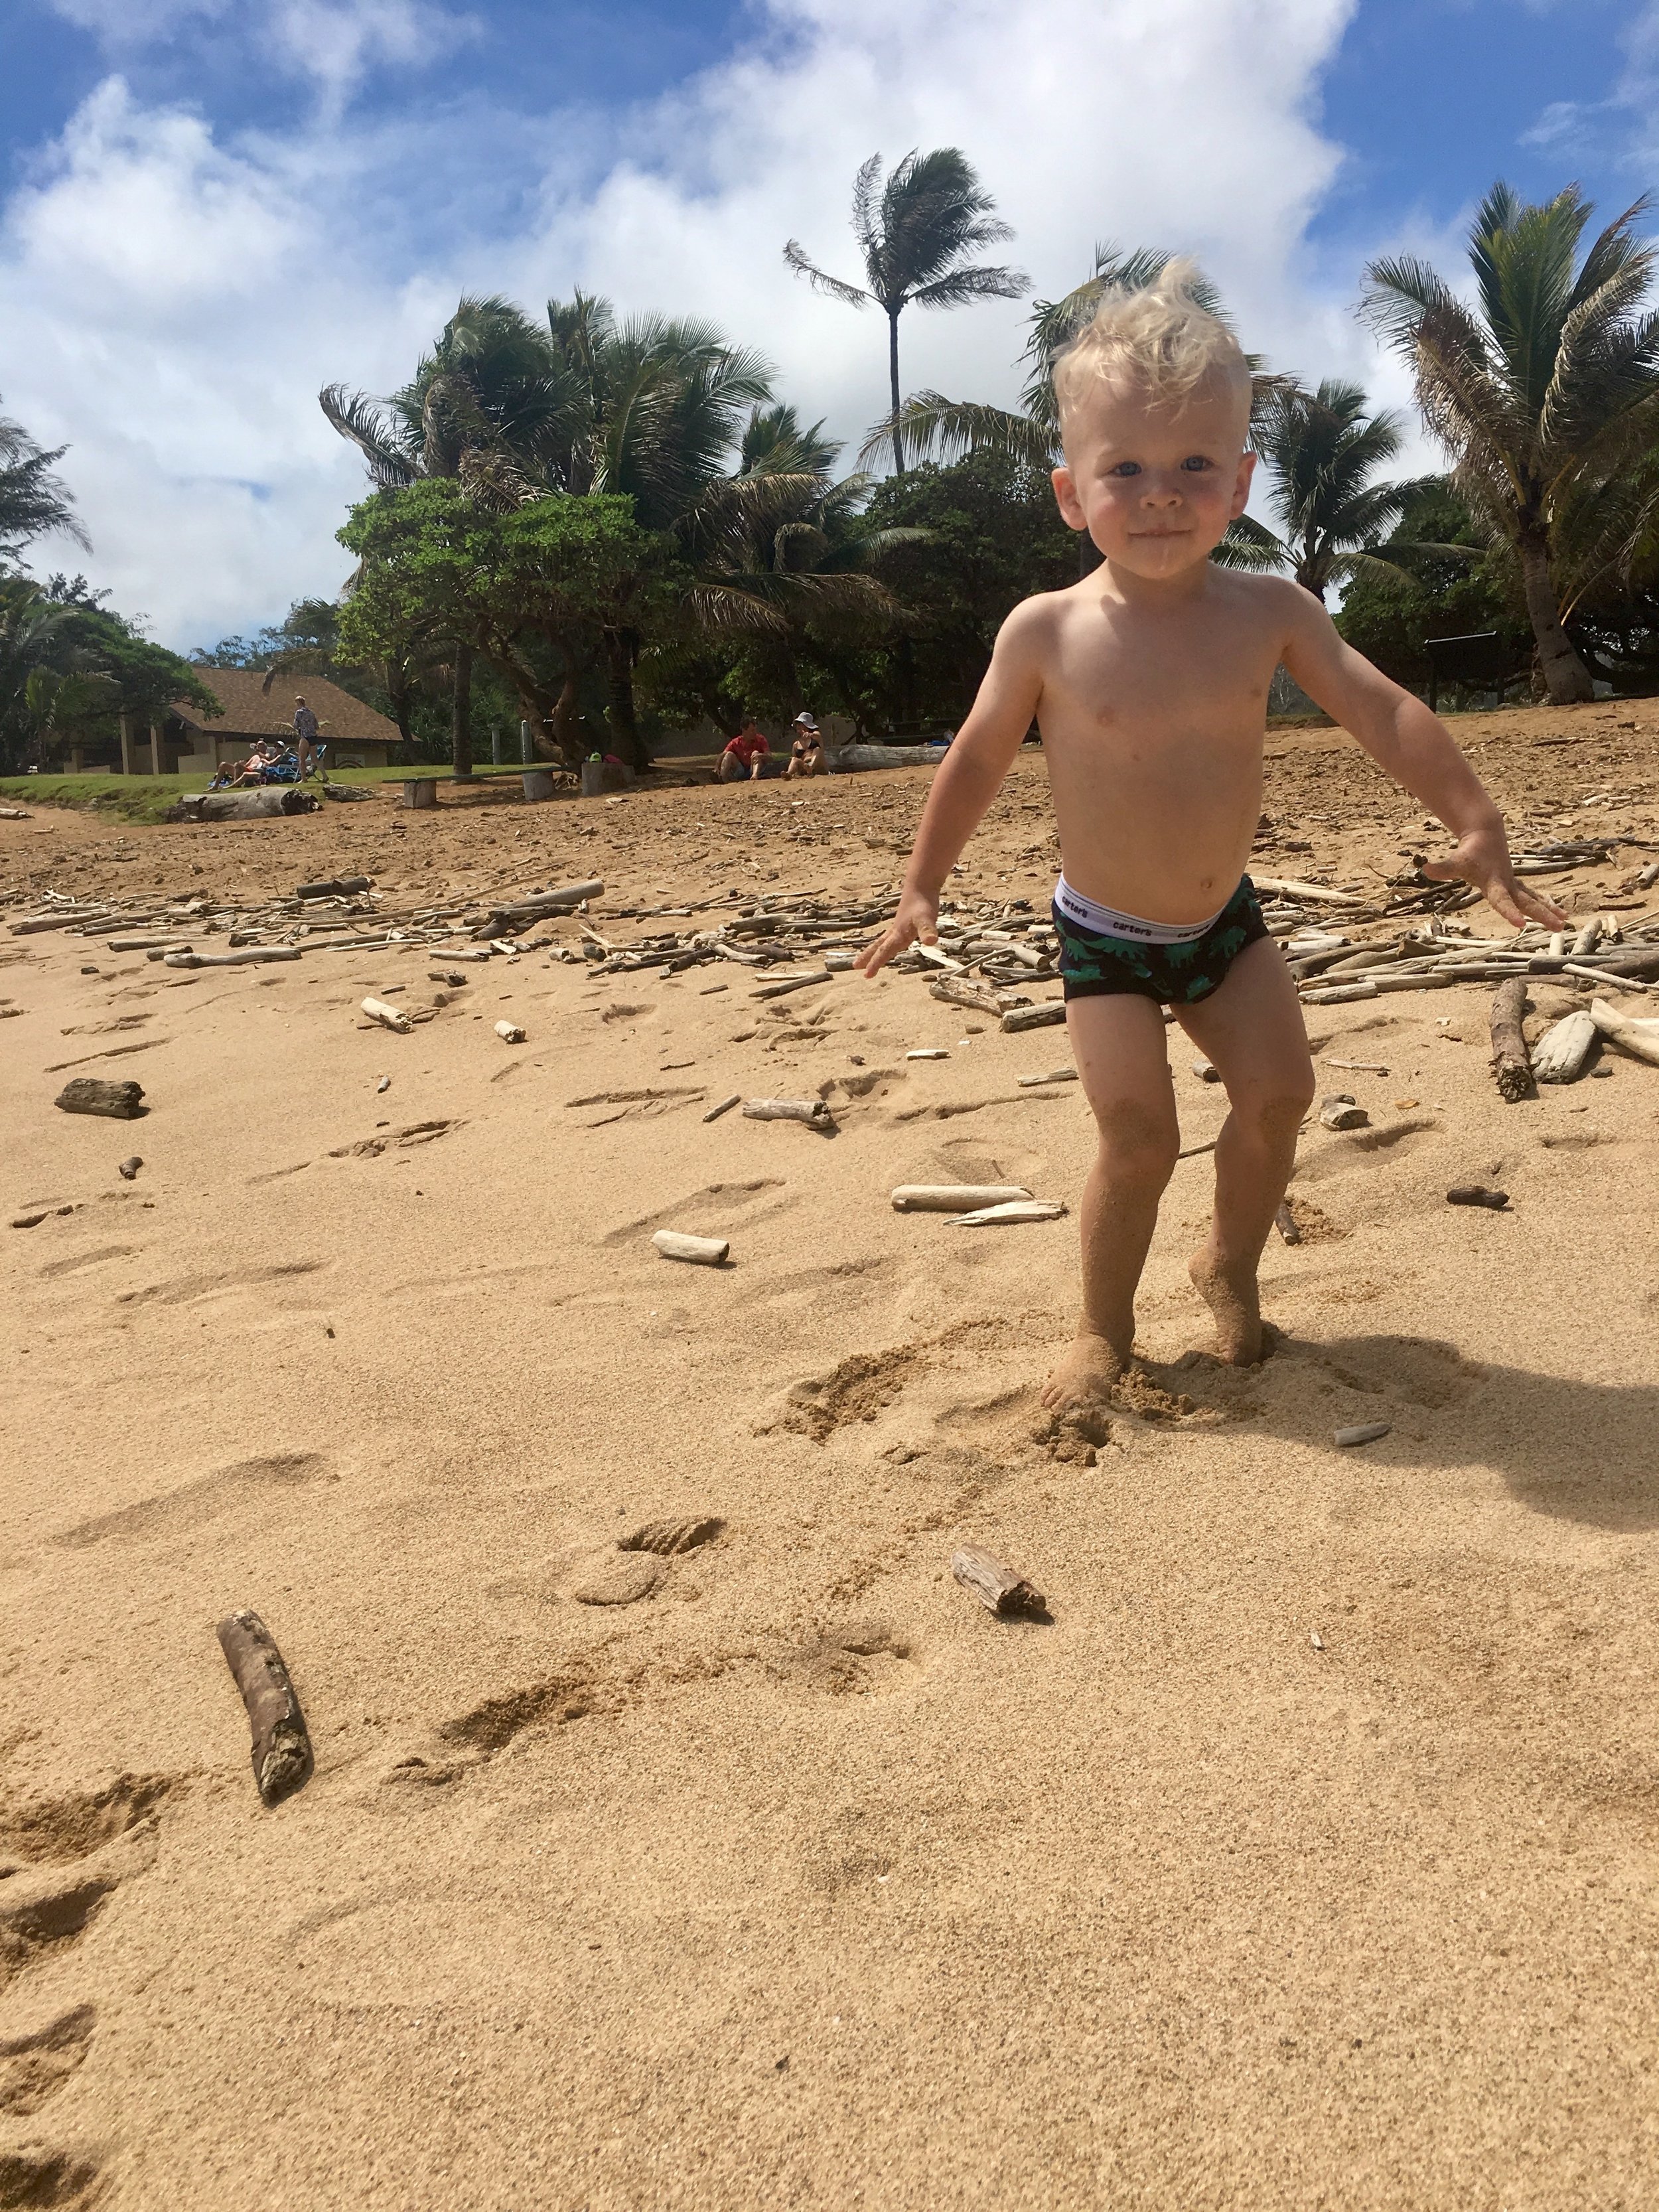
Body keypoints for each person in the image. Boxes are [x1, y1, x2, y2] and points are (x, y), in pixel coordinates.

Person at [857, 258, 1565, 1418]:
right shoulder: (1047, 630)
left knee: (1282, 1092)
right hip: (1103, 939)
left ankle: (1228, 1265)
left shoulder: (1271, 612)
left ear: (1240, 481)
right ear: (1069, 493)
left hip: (1224, 926)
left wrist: (1476, 819)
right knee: (1138, 1136)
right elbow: (979, 755)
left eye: (1193, 466)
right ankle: (1102, 1327)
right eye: (1123, 468)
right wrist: (921, 886)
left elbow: (1382, 707)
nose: (1159, 494)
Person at [717, 716, 768, 783]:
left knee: (756, 753)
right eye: (752, 731)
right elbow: (723, 754)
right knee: (729, 755)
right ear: (744, 730)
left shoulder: (761, 739)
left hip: (753, 769)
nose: (755, 733)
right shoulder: (736, 742)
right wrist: (717, 767)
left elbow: (770, 757)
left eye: (755, 730)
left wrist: (761, 756)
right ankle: (723, 778)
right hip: (740, 770)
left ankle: (755, 776)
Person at [786, 711, 824, 778]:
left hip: (818, 766)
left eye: (801, 724)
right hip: (805, 767)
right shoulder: (796, 745)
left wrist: (810, 735)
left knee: (817, 749)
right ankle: (788, 774)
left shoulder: (815, 737)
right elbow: (796, 758)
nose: (798, 726)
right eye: (797, 724)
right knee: (794, 759)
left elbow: (818, 736)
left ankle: (811, 767)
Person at [293, 696, 320, 778]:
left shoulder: (299, 712)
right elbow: (317, 726)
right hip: (313, 736)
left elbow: (296, 726)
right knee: (315, 758)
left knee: (302, 759)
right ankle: (324, 775)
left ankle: (303, 778)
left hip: (305, 736)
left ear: (298, 703)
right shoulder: (311, 713)